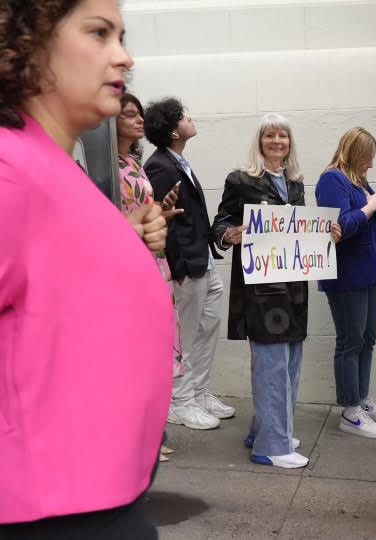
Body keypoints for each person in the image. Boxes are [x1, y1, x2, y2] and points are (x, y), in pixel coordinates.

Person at [0, 1, 174, 537]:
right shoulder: (10, 167)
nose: (123, 57)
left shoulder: (52, 164)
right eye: (99, 33)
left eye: (121, 36)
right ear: (29, 44)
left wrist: (124, 235)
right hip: (45, 512)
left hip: (98, 499)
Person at [211, 114, 340, 468]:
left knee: (291, 362)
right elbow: (219, 224)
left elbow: (296, 231)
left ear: (290, 144)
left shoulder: (295, 182)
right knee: (271, 365)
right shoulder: (241, 179)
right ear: (260, 141)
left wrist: (325, 233)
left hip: (294, 288)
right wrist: (230, 233)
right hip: (262, 292)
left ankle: (267, 428)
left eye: (283, 136)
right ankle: (272, 445)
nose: (277, 141)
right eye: (270, 135)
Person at [144, 97, 234, 430]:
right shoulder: (160, 166)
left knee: (207, 328)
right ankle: (180, 402)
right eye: (183, 116)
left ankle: (199, 392)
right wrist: (178, 269)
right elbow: (162, 221)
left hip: (204, 261)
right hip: (187, 267)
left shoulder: (179, 161)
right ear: (171, 129)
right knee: (184, 335)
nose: (190, 118)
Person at [117, 92, 184, 462]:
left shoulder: (134, 162)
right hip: (133, 260)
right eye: (129, 115)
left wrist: (163, 210)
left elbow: (144, 210)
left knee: (155, 347)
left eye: (139, 114)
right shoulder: (108, 166)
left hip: (155, 259)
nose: (139, 120)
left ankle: (151, 432)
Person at [315, 127, 376, 439]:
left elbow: (361, 219)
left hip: (365, 271)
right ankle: (349, 411)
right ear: (355, 152)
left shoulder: (358, 180)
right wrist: (370, 206)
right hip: (346, 274)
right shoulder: (332, 179)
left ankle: (361, 399)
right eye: (368, 158)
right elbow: (340, 227)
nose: (371, 165)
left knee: (368, 338)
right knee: (350, 340)